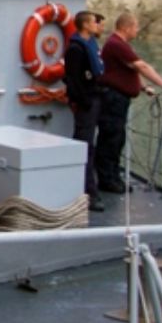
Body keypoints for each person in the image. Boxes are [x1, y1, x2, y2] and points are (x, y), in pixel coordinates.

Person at [94, 12, 162, 193]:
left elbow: (125, 71)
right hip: (113, 100)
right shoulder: (116, 44)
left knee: (117, 138)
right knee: (111, 139)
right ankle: (107, 180)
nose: (137, 30)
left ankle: (113, 177)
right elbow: (141, 66)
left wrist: (143, 87)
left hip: (117, 99)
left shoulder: (117, 44)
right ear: (126, 28)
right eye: (135, 26)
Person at [63, 11, 105, 211]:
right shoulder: (76, 49)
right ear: (86, 25)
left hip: (94, 98)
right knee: (85, 146)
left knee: (89, 145)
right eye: (94, 22)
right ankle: (88, 192)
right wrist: (84, 101)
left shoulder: (89, 45)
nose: (98, 25)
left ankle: (89, 189)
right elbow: (72, 78)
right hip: (87, 103)